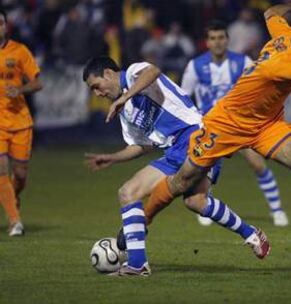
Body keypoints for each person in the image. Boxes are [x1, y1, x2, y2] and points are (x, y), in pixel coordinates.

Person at [107, 0, 291, 269]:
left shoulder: (288, 35)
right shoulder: (285, 61)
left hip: (266, 124)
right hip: (225, 125)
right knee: (182, 182)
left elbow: (270, 14)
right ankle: (143, 219)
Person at [82, 56, 270, 277]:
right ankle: (252, 235)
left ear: (108, 74)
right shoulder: (124, 112)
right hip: (178, 149)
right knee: (195, 202)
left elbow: (153, 71)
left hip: (195, 136)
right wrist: (113, 158)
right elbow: (142, 145)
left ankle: (137, 263)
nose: (98, 93)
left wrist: (125, 96)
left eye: (96, 86)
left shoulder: (133, 73)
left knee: (129, 192)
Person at [181, 20, 289, 227]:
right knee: (202, 168)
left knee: (258, 164)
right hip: (211, 126)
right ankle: (203, 206)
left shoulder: (243, 62)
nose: (218, 42)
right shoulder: (195, 66)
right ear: (207, 42)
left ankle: (277, 210)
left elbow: (259, 88)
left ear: (227, 40)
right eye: (213, 38)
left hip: (240, 125)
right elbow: (185, 96)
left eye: (221, 37)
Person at [0, 9, 42, 236]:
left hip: (20, 122)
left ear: (6, 26)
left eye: (0, 23)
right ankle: (15, 220)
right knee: (1, 170)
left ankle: (12, 197)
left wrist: (20, 90)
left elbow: (38, 83)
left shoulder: (19, 51)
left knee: (21, 175)